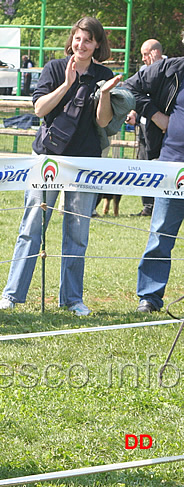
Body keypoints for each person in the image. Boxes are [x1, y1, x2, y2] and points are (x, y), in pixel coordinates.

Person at [0, 16, 122, 316]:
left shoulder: (103, 74)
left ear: (97, 44)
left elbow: (104, 122)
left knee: (77, 232)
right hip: (48, 158)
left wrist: (104, 93)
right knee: (32, 227)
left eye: (89, 40)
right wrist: (67, 83)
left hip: (84, 162)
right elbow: (39, 109)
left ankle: (72, 299)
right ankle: (12, 295)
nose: (82, 44)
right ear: (72, 40)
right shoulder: (54, 68)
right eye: (78, 38)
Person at [125, 51, 184, 313]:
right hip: (172, 167)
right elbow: (129, 88)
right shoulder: (169, 69)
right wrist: (157, 116)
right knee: (160, 235)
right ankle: (149, 298)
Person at [127, 39, 165, 217]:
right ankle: (148, 206)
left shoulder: (170, 70)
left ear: (155, 53)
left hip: (162, 127)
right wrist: (133, 113)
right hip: (143, 127)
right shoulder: (143, 71)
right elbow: (136, 95)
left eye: (145, 54)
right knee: (144, 164)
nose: (143, 59)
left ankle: (163, 204)